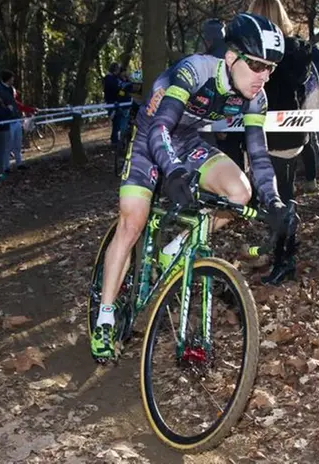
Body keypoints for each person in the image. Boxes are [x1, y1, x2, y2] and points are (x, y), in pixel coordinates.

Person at [91, 13, 289, 361]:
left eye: (270, 68)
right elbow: (160, 129)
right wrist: (174, 172)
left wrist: (273, 202)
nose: (263, 76)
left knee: (240, 193)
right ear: (231, 57)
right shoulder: (195, 70)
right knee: (133, 221)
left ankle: (175, 246)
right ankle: (105, 318)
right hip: (151, 137)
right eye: (257, 65)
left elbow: (258, 154)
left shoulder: (256, 97)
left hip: (186, 141)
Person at [247, 0, 312, 285]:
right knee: (280, 193)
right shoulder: (297, 51)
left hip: (274, 134)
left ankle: (285, 259)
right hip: (288, 133)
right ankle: (281, 252)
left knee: (279, 197)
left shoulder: (265, 53)